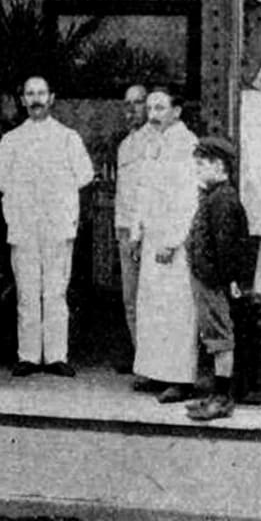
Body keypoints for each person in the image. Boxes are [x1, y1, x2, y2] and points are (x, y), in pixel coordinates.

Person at [0, 75, 94, 377]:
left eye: (41, 93)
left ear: (52, 98)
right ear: (23, 100)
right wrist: (21, 196)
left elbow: (84, 175)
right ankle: (29, 356)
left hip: (57, 225)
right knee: (27, 292)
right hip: (24, 225)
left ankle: (57, 355)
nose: (35, 99)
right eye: (30, 94)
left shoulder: (68, 138)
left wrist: (57, 196)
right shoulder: (11, 140)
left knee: (56, 292)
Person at [130, 87, 200, 403]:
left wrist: (173, 241)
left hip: (174, 243)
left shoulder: (186, 145)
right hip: (152, 238)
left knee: (176, 309)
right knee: (153, 308)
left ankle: (181, 378)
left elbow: (188, 200)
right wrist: (136, 233)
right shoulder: (153, 144)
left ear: (177, 112)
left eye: (160, 108)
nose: (153, 115)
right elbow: (142, 191)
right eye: (150, 108)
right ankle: (156, 372)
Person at [184, 137, 253, 421]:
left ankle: (222, 399)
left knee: (220, 339)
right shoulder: (215, 196)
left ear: (218, 165)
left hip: (214, 281)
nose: (197, 170)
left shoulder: (222, 200)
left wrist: (229, 280)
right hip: (208, 278)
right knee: (214, 338)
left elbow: (228, 247)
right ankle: (217, 394)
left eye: (201, 164)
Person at [113, 84, 150, 373]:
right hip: (124, 228)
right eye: (128, 104)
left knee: (148, 299)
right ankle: (141, 356)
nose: (132, 109)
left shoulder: (155, 142)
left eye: (138, 103)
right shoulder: (126, 144)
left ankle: (151, 364)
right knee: (131, 299)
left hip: (145, 231)